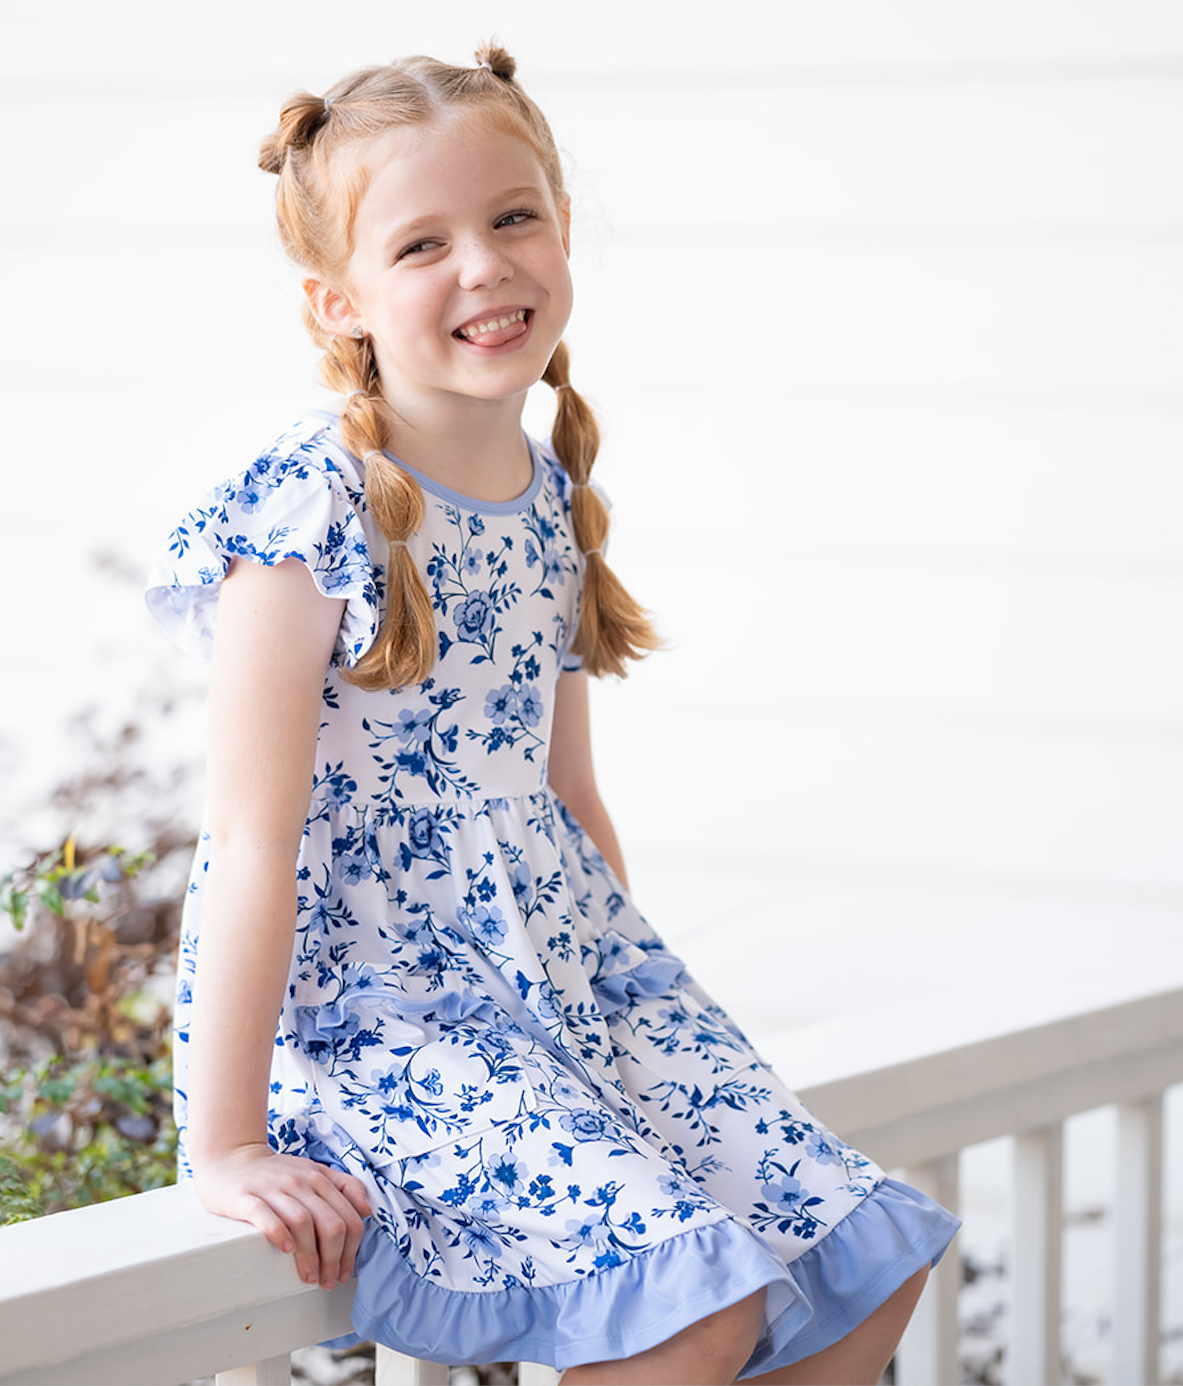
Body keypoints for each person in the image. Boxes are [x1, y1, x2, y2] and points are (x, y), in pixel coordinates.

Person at [146, 42, 959, 1385]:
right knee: (692, 1306)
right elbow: (248, 839)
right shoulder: (309, 508)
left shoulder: (554, 497)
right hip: (387, 1014)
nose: (483, 265)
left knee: (860, 1253)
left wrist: (635, 1033)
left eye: (512, 217)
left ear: (564, 228)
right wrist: (224, 1140)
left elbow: (568, 799)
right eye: (421, 244)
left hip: (563, 985)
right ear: (338, 301)